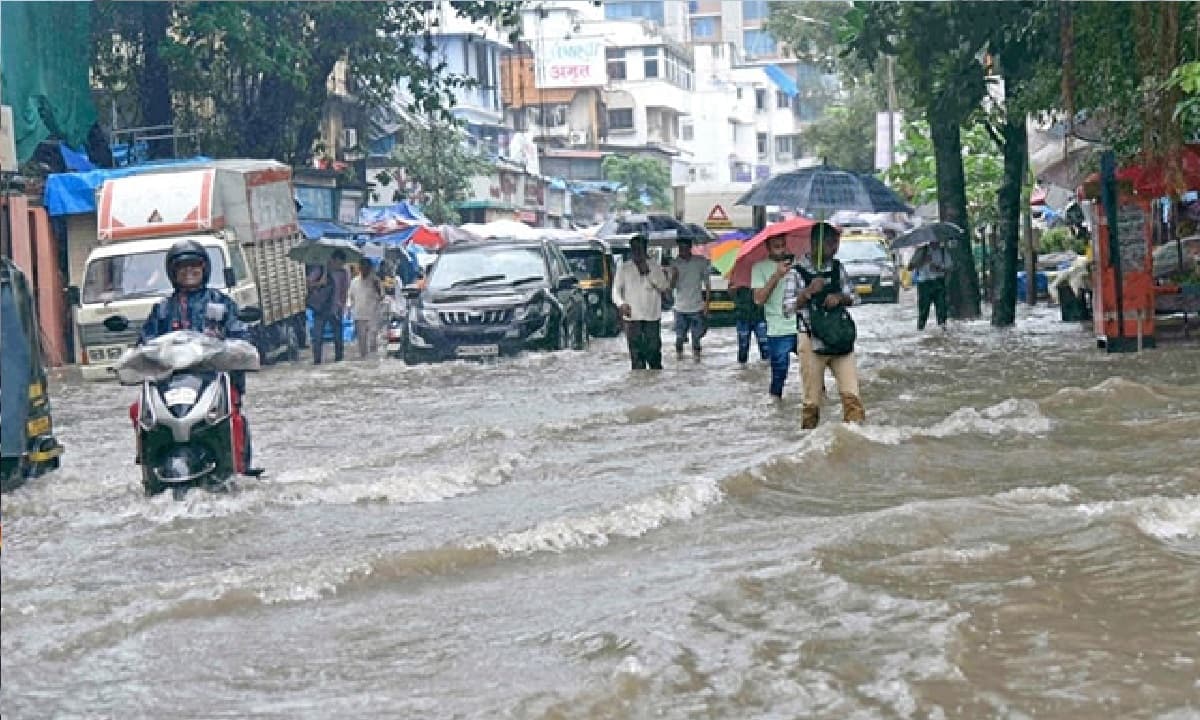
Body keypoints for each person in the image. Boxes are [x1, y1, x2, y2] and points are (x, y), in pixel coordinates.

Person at [137, 239, 261, 475]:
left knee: (233, 416)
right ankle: (146, 465)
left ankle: (241, 467)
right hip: (169, 383)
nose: (189, 272)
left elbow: (240, 335)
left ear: (204, 269)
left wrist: (239, 350)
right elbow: (146, 341)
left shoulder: (221, 303)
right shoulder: (162, 309)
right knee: (139, 411)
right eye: (182, 268)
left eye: (195, 266)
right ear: (173, 273)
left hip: (213, 380)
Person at [788, 223, 865, 429]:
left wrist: (839, 297)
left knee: (852, 396)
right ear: (815, 243)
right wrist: (807, 292)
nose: (835, 248)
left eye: (836, 243)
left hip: (840, 338)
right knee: (812, 401)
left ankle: (855, 439)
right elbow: (787, 308)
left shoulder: (838, 268)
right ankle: (807, 442)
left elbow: (856, 298)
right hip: (811, 339)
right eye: (830, 243)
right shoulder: (796, 271)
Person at [752, 232, 800, 398]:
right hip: (778, 330)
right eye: (776, 247)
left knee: (814, 371)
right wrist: (777, 275)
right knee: (779, 375)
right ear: (768, 248)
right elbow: (758, 299)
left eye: (783, 245)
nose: (781, 250)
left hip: (802, 326)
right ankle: (776, 405)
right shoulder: (759, 268)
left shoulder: (798, 264)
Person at [612, 234, 670, 370]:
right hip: (632, 318)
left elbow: (663, 287)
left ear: (645, 250)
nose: (636, 252)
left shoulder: (655, 267)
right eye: (634, 249)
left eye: (639, 249)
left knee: (654, 353)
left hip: (652, 317)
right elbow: (615, 291)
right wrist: (621, 304)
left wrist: (648, 273)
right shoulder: (624, 268)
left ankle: (655, 382)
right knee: (636, 356)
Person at [669, 237, 711, 359]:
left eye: (684, 247)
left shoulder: (700, 262)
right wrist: (674, 276)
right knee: (679, 338)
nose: (682, 250)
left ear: (690, 247)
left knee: (696, 340)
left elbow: (707, 285)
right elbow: (670, 287)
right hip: (680, 308)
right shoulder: (675, 263)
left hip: (696, 307)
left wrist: (707, 305)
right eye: (680, 248)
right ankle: (679, 360)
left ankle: (697, 362)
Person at [307, 250, 350, 364]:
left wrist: (342, 306)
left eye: (342, 263)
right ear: (333, 260)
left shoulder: (343, 273)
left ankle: (339, 359)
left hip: (335, 309)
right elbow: (309, 284)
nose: (340, 265)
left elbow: (344, 291)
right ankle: (317, 361)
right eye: (339, 263)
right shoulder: (320, 269)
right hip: (321, 308)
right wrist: (320, 282)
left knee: (338, 337)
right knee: (317, 337)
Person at [908, 238, 953, 330]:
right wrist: (921, 260)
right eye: (933, 240)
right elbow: (910, 267)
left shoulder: (943, 252)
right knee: (923, 309)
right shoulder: (921, 250)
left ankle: (942, 328)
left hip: (938, 282)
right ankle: (921, 328)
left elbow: (949, 268)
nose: (935, 242)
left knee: (941, 307)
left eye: (937, 240)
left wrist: (939, 268)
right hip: (924, 283)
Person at [348, 258, 384, 359]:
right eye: (362, 267)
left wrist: (377, 287)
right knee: (362, 343)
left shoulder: (376, 280)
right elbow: (350, 297)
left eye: (366, 267)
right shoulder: (354, 281)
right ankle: (364, 360)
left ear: (370, 268)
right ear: (359, 268)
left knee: (372, 340)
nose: (364, 269)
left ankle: (372, 362)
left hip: (373, 315)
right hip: (359, 315)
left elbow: (381, 297)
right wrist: (349, 310)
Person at [731, 278, 768, 364]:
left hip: (760, 315)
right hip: (743, 315)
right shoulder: (738, 275)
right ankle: (742, 370)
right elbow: (731, 293)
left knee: (765, 348)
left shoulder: (761, 275)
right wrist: (734, 288)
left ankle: (766, 370)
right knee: (743, 348)